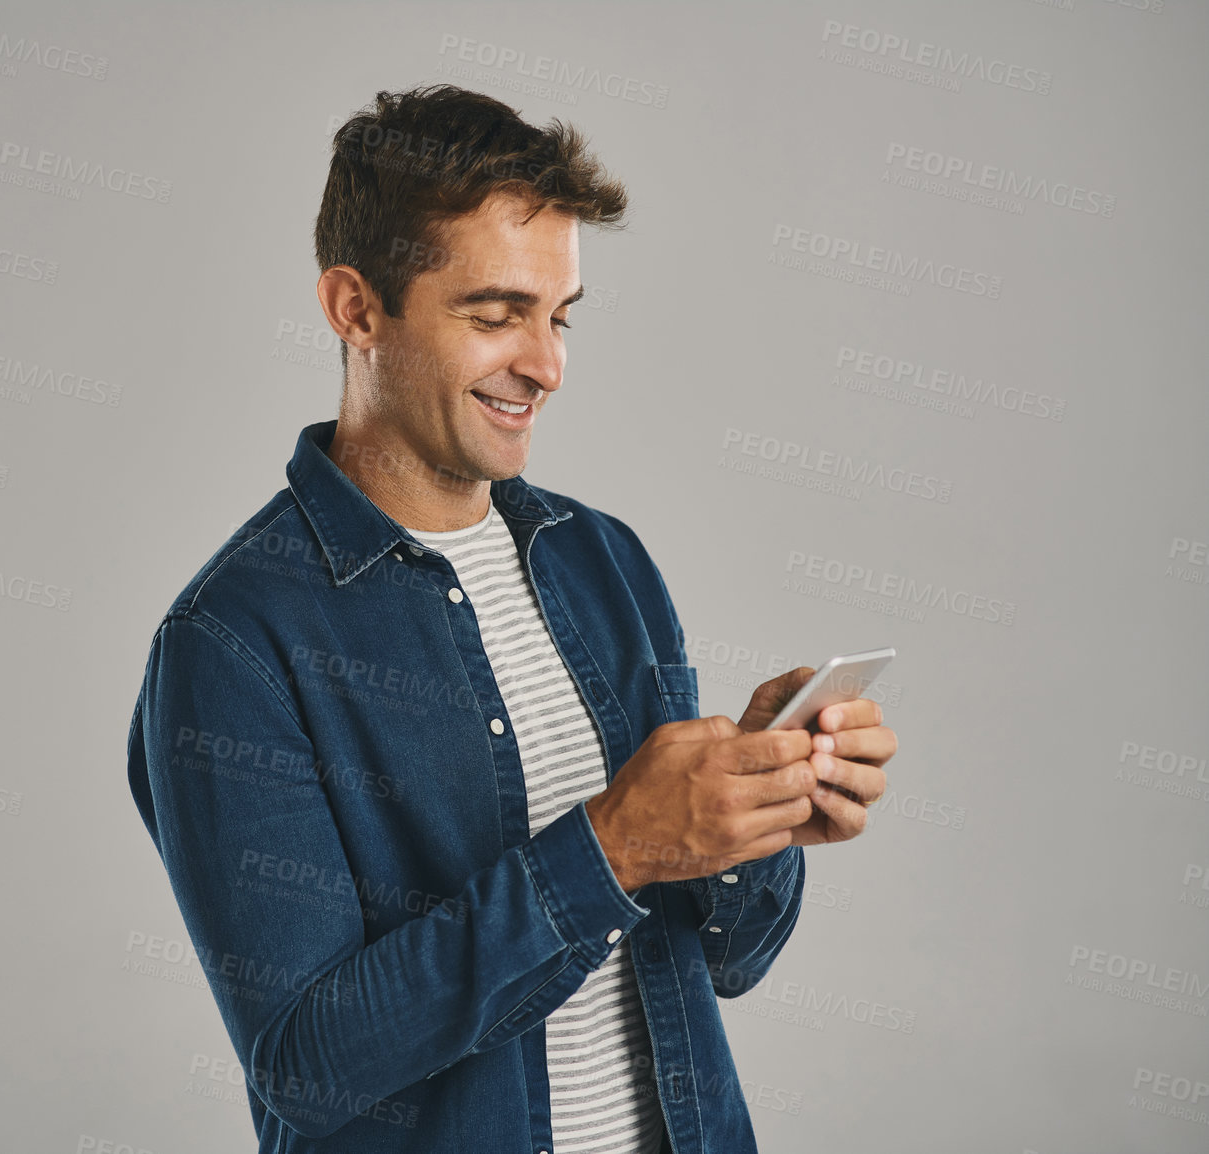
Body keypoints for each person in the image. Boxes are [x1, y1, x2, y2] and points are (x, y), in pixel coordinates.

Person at [125, 83, 896, 1154]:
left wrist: (756, 811)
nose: (544, 364)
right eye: (494, 317)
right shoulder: (232, 641)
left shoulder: (604, 559)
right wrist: (612, 844)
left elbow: (727, 955)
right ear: (355, 309)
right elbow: (307, 1062)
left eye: (558, 315)